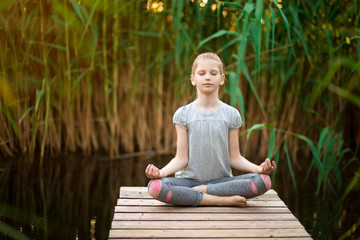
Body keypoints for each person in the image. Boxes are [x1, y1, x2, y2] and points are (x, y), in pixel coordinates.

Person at [145, 52, 277, 207]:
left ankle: (201, 192)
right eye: (202, 73)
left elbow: (235, 158)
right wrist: (161, 173)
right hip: (188, 182)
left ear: (221, 79)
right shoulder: (183, 114)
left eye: (213, 73)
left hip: (222, 182)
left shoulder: (231, 114)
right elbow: (181, 158)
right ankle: (221, 201)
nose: (207, 77)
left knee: (263, 181)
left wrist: (258, 168)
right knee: (155, 187)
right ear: (193, 79)